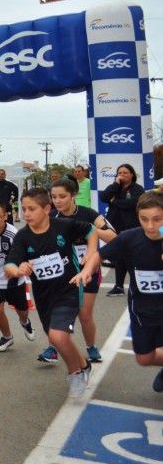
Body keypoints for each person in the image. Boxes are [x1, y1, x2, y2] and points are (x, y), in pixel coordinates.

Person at [4, 188, 95, 399]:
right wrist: (18, 270)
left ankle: (75, 374)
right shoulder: (23, 236)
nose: (26, 214)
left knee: (57, 336)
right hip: (44, 295)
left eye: (32, 209)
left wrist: (90, 254)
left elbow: (91, 231)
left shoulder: (63, 226)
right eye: (23, 209)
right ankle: (84, 364)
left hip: (69, 288)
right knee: (56, 337)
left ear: (47, 209)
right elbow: (9, 264)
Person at [74, 192, 163, 392]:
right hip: (142, 309)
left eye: (157, 219)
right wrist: (87, 271)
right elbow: (99, 254)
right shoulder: (129, 238)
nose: (150, 226)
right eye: (144, 219)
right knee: (144, 358)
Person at [48, 177, 116, 364]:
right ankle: (52, 348)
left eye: (62, 196)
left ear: (74, 195)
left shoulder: (89, 214)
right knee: (55, 311)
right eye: (54, 197)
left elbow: (113, 237)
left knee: (84, 314)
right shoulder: (51, 216)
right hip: (62, 271)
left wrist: (90, 230)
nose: (58, 201)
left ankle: (91, 346)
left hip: (88, 269)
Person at [0, 201, 35, 352]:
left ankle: (25, 322)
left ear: (5, 217)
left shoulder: (13, 234)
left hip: (14, 276)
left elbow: (24, 255)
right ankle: (7, 337)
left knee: (21, 310)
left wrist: (19, 268)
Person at [101, 163, 144, 298]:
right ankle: (119, 287)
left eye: (125, 173)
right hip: (115, 227)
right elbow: (103, 197)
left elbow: (131, 204)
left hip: (131, 227)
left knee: (131, 257)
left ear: (132, 174)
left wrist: (114, 202)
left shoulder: (137, 189)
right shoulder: (115, 188)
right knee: (119, 257)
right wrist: (115, 185)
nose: (122, 175)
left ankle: (137, 286)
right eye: (120, 173)